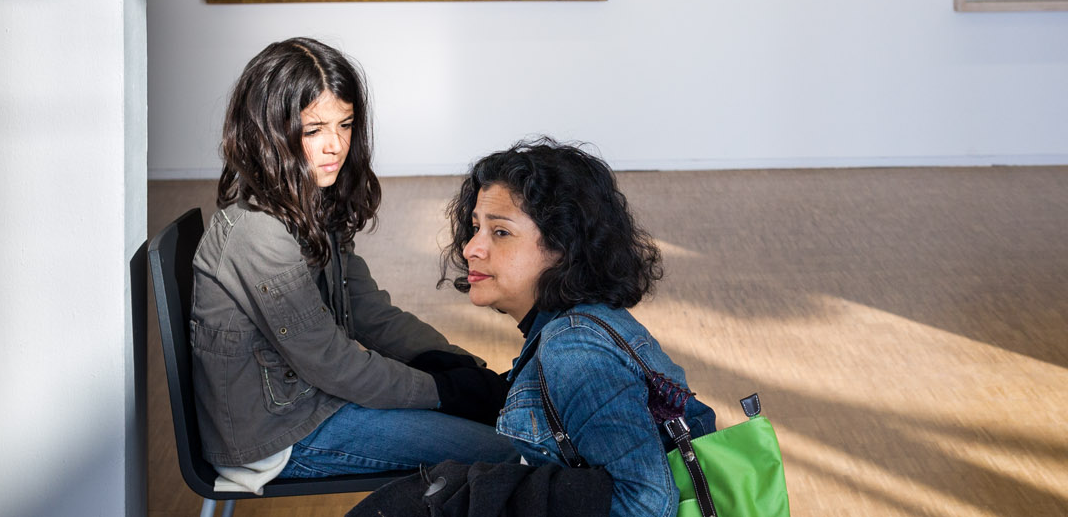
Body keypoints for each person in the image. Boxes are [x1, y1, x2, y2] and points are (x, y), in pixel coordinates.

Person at [190, 38, 518, 492]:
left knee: (509, 429)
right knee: (511, 455)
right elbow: (334, 364)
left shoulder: (310, 203)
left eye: (345, 124)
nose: (336, 145)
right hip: (282, 435)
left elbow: (370, 313)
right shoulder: (260, 234)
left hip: (315, 404)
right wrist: (443, 393)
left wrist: (451, 363)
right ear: (269, 133)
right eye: (314, 129)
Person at [441, 139, 716, 517]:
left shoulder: (575, 350)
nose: (472, 248)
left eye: (500, 232)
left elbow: (647, 504)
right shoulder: (569, 329)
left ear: (563, 246)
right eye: (475, 228)